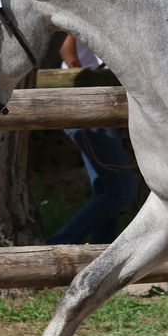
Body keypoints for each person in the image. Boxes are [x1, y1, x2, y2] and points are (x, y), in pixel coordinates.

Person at [46, 35, 137, 244]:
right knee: (122, 193)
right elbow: (64, 41)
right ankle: (57, 244)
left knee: (107, 190)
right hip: (85, 103)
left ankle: (101, 251)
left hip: (101, 104)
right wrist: (77, 72)